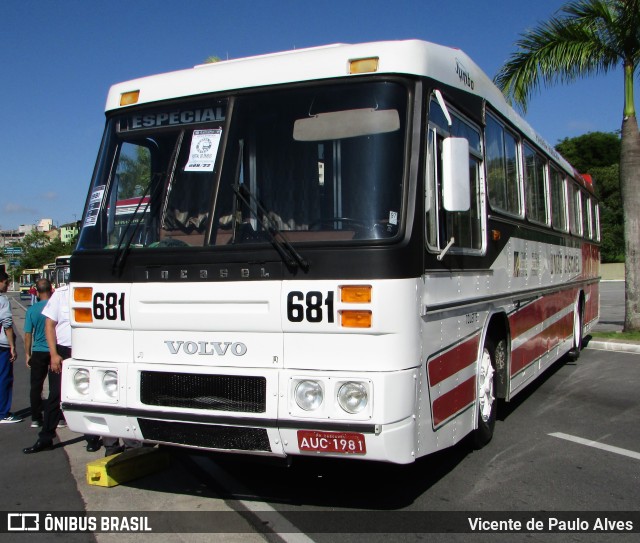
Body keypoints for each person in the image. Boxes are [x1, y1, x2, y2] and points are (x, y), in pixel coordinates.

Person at [23, 284, 101, 453]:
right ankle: (46, 437)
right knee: (55, 395)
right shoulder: (60, 294)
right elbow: (49, 325)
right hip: (62, 351)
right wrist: (53, 354)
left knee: (87, 395)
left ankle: (92, 437)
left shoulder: (95, 290)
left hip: (85, 350)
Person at [24, 278, 53, 428]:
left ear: (36, 291)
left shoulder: (32, 310)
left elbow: (28, 334)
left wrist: (27, 354)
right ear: (51, 289)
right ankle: (58, 417)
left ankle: (36, 417)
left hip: (39, 350)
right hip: (55, 349)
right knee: (56, 386)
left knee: (36, 385)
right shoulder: (56, 307)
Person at [0, 271, 22, 423]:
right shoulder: (3, 300)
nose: (7, 286)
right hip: (1, 345)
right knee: (4, 378)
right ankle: (3, 413)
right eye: (6, 283)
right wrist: (12, 346)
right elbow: (7, 323)